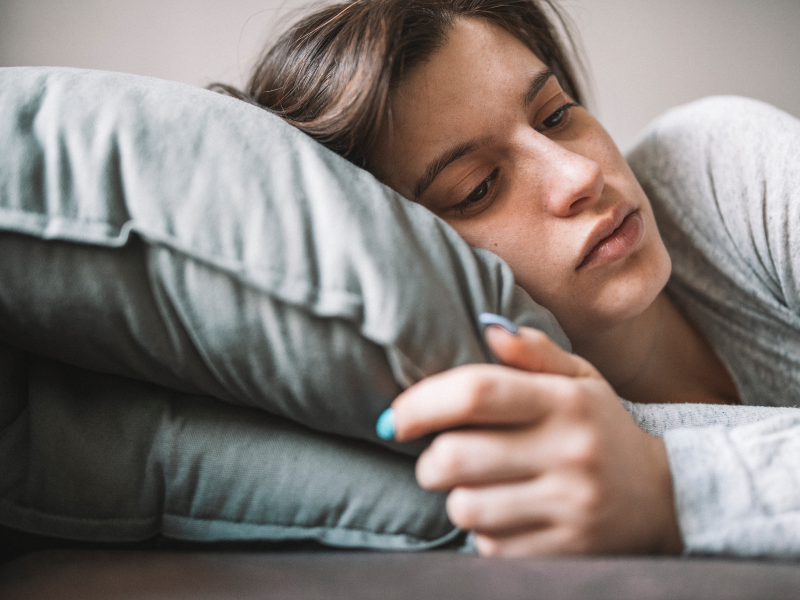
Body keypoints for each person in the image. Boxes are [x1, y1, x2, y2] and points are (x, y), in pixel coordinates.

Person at [215, 0, 800, 556]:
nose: (581, 174)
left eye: (555, 114)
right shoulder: (507, 445)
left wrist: (669, 488)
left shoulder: (716, 168)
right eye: (479, 187)